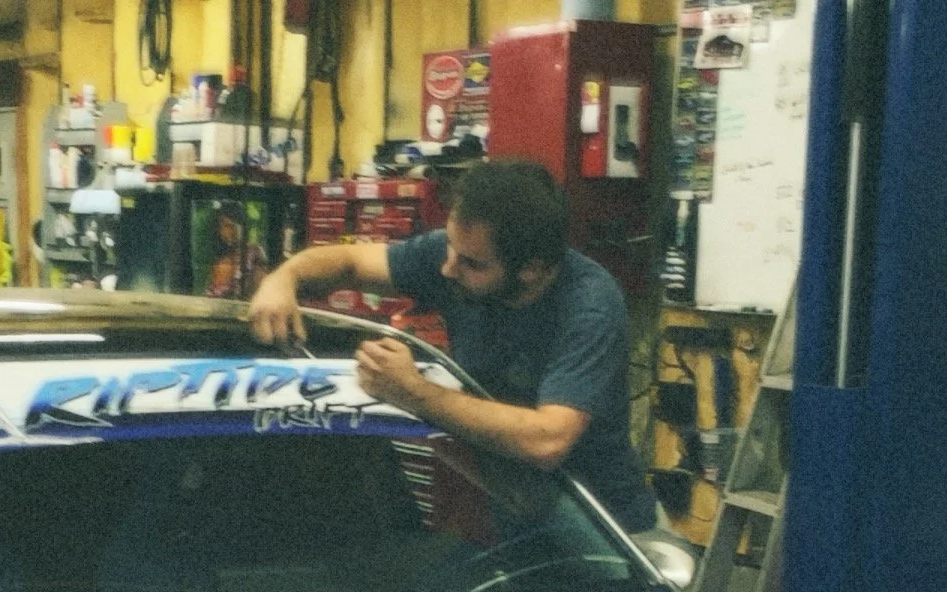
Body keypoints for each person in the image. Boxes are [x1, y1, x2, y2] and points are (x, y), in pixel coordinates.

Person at [247, 158, 660, 534]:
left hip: (605, 532)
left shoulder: (589, 306)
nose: (447, 268)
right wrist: (284, 278)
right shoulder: (459, 257)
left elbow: (548, 440)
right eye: (449, 247)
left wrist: (413, 392)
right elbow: (351, 262)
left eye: (472, 263)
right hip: (518, 523)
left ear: (533, 269)